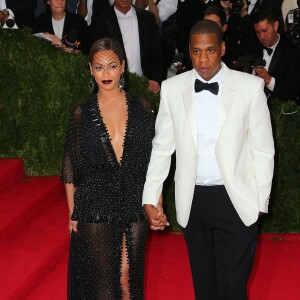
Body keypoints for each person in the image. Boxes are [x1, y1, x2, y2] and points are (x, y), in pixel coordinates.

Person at [143, 19, 275, 300]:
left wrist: (259, 203)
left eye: (211, 50)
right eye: (196, 52)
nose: (203, 59)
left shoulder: (250, 88)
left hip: (236, 200)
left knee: (231, 286)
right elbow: (162, 147)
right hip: (194, 201)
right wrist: (151, 195)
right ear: (188, 52)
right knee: (205, 288)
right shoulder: (171, 88)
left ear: (223, 48)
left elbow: (263, 150)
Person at [61, 38, 157, 299]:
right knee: (104, 287)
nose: (106, 74)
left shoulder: (143, 108)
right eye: (99, 67)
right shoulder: (82, 112)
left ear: (123, 67)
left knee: (128, 281)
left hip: (133, 202)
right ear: (90, 69)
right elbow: (70, 162)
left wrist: (155, 199)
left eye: (112, 66)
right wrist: (73, 210)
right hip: (95, 204)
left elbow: (152, 160)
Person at [91, 0, 163, 93]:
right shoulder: (101, 21)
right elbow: (95, 58)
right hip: (112, 89)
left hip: (145, 87)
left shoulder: (148, 18)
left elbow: (157, 54)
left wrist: (155, 80)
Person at [252, 6, 300, 101]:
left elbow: (293, 91)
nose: (262, 36)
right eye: (258, 32)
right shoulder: (252, 47)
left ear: (276, 26)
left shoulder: (292, 51)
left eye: (265, 31)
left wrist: (269, 80)